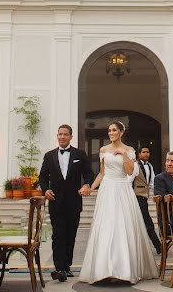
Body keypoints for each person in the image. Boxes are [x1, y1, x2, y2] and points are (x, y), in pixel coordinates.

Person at [80, 121, 158, 283]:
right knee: (106, 227)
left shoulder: (129, 150)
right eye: (109, 130)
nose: (111, 133)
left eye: (114, 130)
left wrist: (123, 154)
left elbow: (130, 172)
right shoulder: (103, 150)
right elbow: (102, 174)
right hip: (107, 190)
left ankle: (123, 271)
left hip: (123, 189)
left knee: (123, 226)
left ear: (121, 132)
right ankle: (104, 270)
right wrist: (90, 187)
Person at [38, 124, 94, 282]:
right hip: (55, 201)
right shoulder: (49, 156)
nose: (62, 137)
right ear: (57, 136)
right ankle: (59, 268)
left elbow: (88, 172)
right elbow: (42, 177)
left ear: (71, 136)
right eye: (60, 134)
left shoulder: (79, 154)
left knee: (71, 235)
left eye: (65, 134)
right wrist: (45, 190)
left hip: (74, 201)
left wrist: (86, 184)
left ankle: (67, 267)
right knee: (58, 235)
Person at [132, 145, 162, 254]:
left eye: (147, 152)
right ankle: (158, 246)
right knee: (147, 222)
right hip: (136, 197)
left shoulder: (149, 165)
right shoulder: (135, 165)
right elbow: (130, 180)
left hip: (144, 197)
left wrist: (156, 194)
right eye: (143, 152)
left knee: (142, 222)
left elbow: (152, 182)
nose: (146, 154)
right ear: (139, 154)